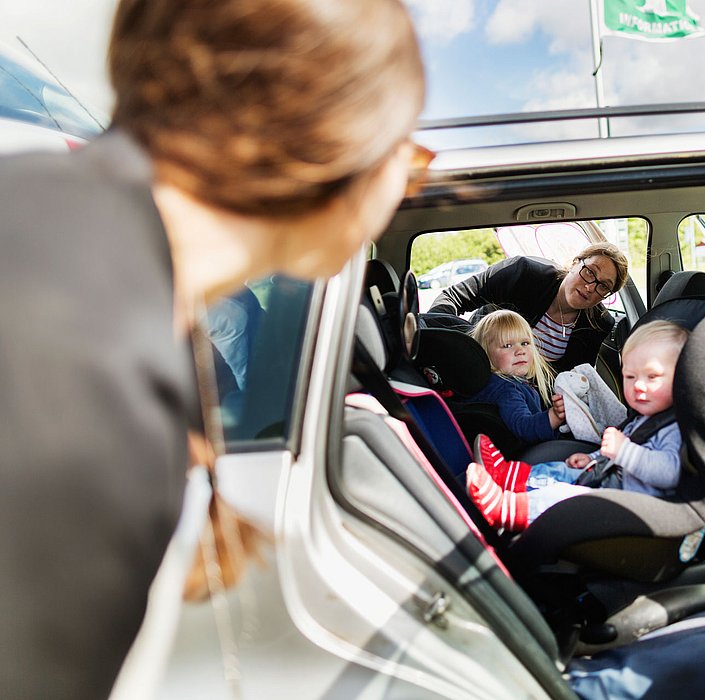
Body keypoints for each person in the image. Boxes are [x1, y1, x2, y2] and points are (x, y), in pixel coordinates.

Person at [0, 1, 426, 698]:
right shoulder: (88, 371)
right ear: (332, 141)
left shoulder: (70, 245)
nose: (404, 186)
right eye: (409, 157)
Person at [467, 321, 688, 531]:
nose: (638, 385)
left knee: (561, 496)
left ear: (683, 379)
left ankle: (507, 510)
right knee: (564, 469)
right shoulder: (644, 418)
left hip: (622, 501)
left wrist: (623, 451)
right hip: (609, 478)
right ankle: (509, 476)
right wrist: (593, 459)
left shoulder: (675, 427)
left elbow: (669, 473)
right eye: (630, 376)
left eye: (652, 377)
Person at [428, 243, 629, 373]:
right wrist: (453, 345)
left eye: (603, 286)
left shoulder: (599, 324)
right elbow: (452, 297)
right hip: (475, 369)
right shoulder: (523, 274)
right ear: (575, 263)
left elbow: (574, 379)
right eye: (589, 272)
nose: (590, 287)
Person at [469, 309, 567, 444]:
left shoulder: (508, 382)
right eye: (507, 345)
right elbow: (523, 428)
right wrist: (555, 416)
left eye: (525, 343)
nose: (520, 351)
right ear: (486, 354)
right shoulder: (507, 389)